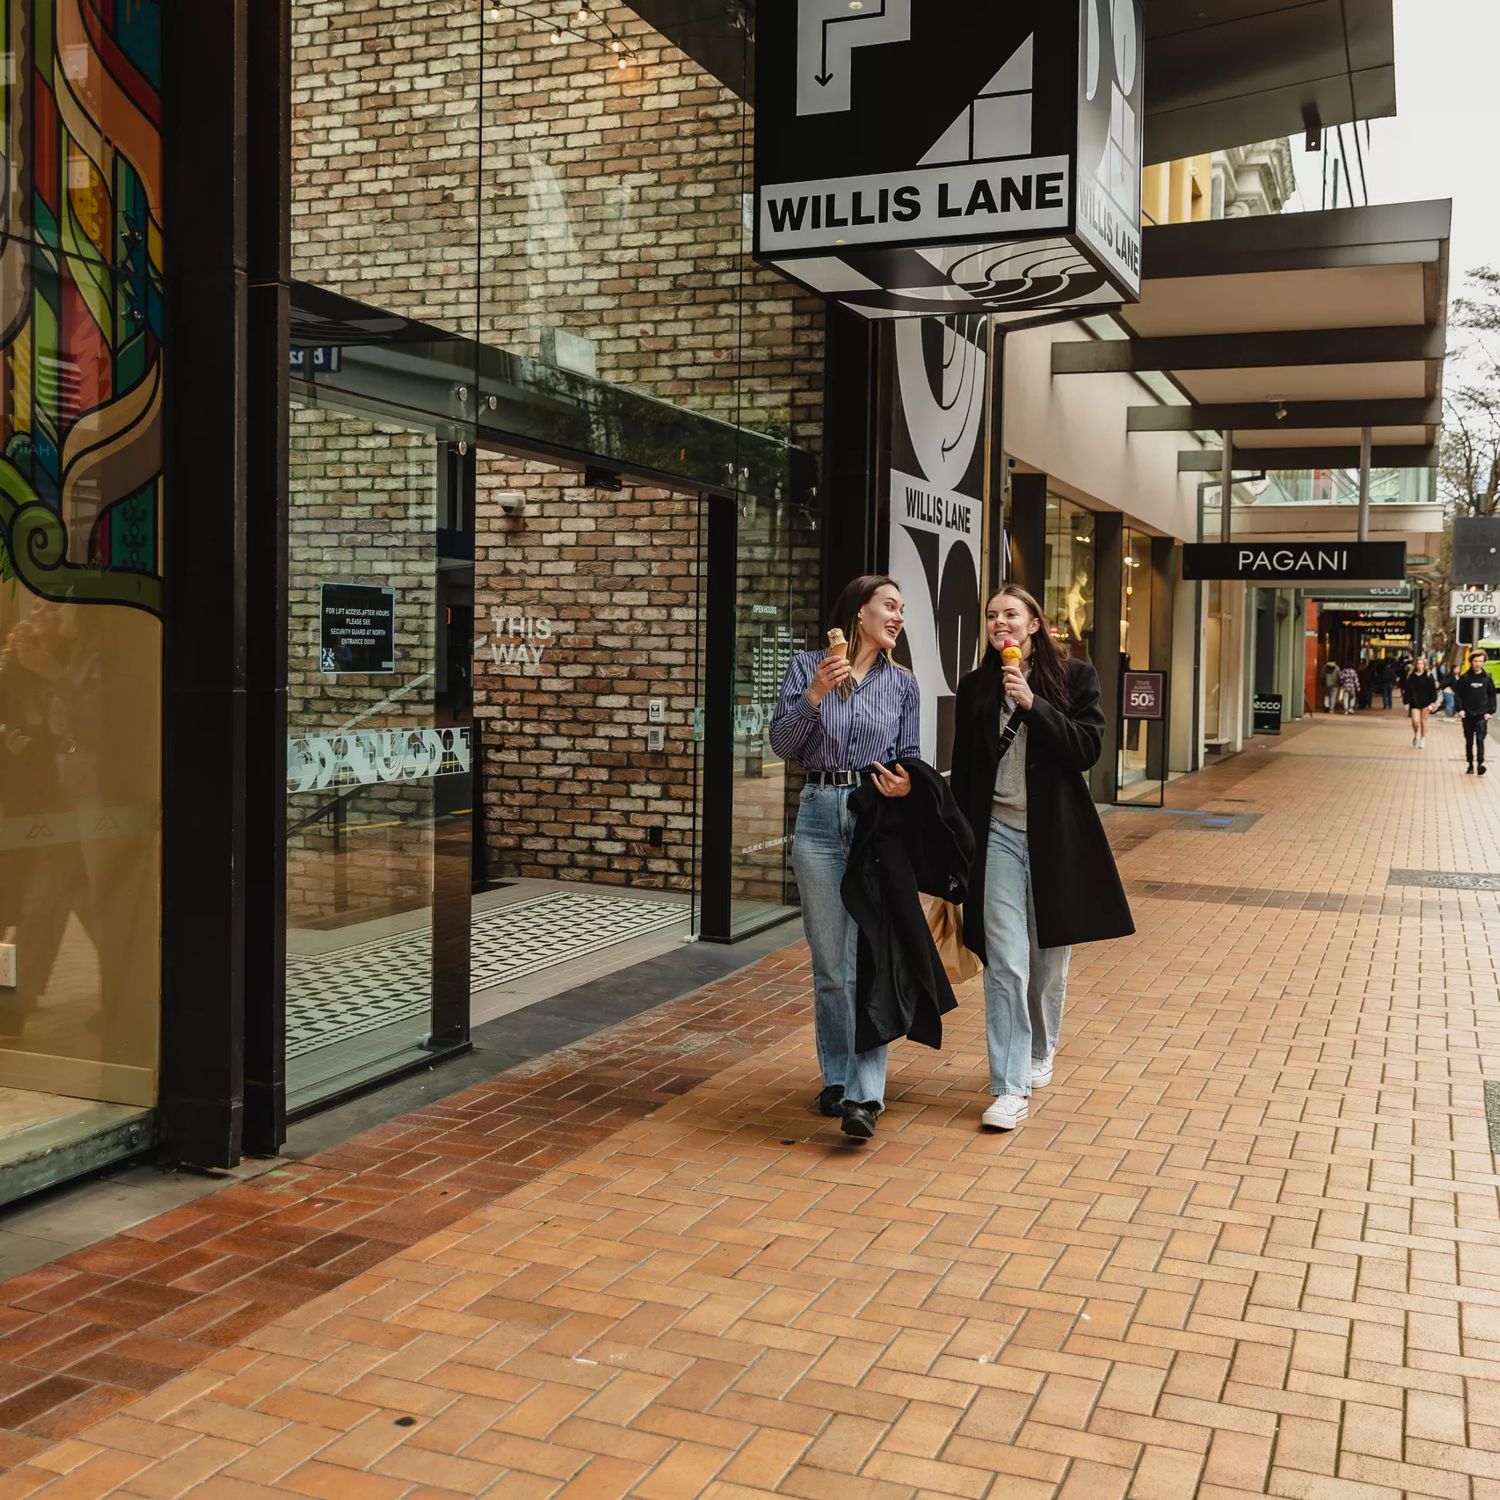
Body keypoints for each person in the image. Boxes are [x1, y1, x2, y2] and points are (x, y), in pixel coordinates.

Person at [950, 586, 1134, 1133]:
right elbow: (965, 769)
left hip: (1055, 837)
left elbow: (1087, 750)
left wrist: (1034, 706)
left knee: (1047, 962)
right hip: (999, 834)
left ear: (1034, 624)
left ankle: (1041, 1046)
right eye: (991, 616)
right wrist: (957, 851)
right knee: (1006, 960)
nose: (999, 623)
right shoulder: (976, 686)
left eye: (1010, 614)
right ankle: (1008, 1086)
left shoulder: (1074, 678)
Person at [769, 575, 920, 1141]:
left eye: (902, 608)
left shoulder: (903, 685)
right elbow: (782, 746)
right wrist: (813, 697)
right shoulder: (808, 667)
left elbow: (911, 761)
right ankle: (835, 1078)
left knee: (865, 960)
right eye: (890, 606)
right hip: (815, 817)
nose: (898, 616)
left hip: (871, 819)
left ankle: (865, 1093)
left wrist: (905, 787)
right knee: (830, 964)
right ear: (859, 614)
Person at [1455, 648, 1497, 775]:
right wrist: (1460, 709)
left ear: (1484, 662)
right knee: (1469, 741)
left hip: (1481, 715)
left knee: (1480, 739)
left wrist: (1490, 711)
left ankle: (1480, 764)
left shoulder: (1487, 678)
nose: (1478, 664)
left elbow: (1492, 695)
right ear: (1471, 662)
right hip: (1467, 714)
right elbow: (1458, 695)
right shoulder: (1464, 678)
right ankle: (1470, 764)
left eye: (1480, 661)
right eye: (1475, 661)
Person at [1403, 653, 1438, 747]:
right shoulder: (1411, 677)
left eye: (1421, 664)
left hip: (1426, 703)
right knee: (1415, 721)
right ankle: (1416, 734)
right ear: (1415, 665)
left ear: (1424, 665)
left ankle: (1423, 738)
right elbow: (1407, 690)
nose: (1419, 665)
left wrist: (1433, 702)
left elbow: (1433, 690)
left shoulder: (1429, 676)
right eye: (1418, 663)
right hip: (1414, 702)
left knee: (1424, 721)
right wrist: (1406, 702)